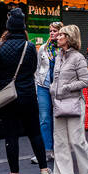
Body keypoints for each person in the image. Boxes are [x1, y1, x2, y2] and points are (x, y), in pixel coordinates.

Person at [0, 8, 51, 174]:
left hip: (7, 97)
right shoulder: (29, 46)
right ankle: (44, 171)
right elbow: (33, 69)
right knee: (34, 133)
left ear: (8, 27)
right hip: (27, 94)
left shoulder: (0, 47)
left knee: (11, 135)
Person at [49, 24, 88, 174]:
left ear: (69, 38)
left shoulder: (78, 58)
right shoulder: (58, 56)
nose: (58, 37)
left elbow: (86, 81)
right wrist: (53, 89)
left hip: (74, 103)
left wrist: (66, 87)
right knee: (60, 140)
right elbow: (56, 79)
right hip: (58, 103)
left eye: (61, 35)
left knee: (76, 140)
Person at [31, 21, 63, 164]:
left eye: (55, 30)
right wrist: (37, 86)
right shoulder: (43, 48)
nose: (52, 33)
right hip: (43, 86)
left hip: (59, 87)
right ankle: (45, 151)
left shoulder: (64, 49)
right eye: (50, 30)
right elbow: (37, 68)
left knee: (58, 119)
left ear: (61, 32)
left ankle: (58, 150)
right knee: (44, 119)